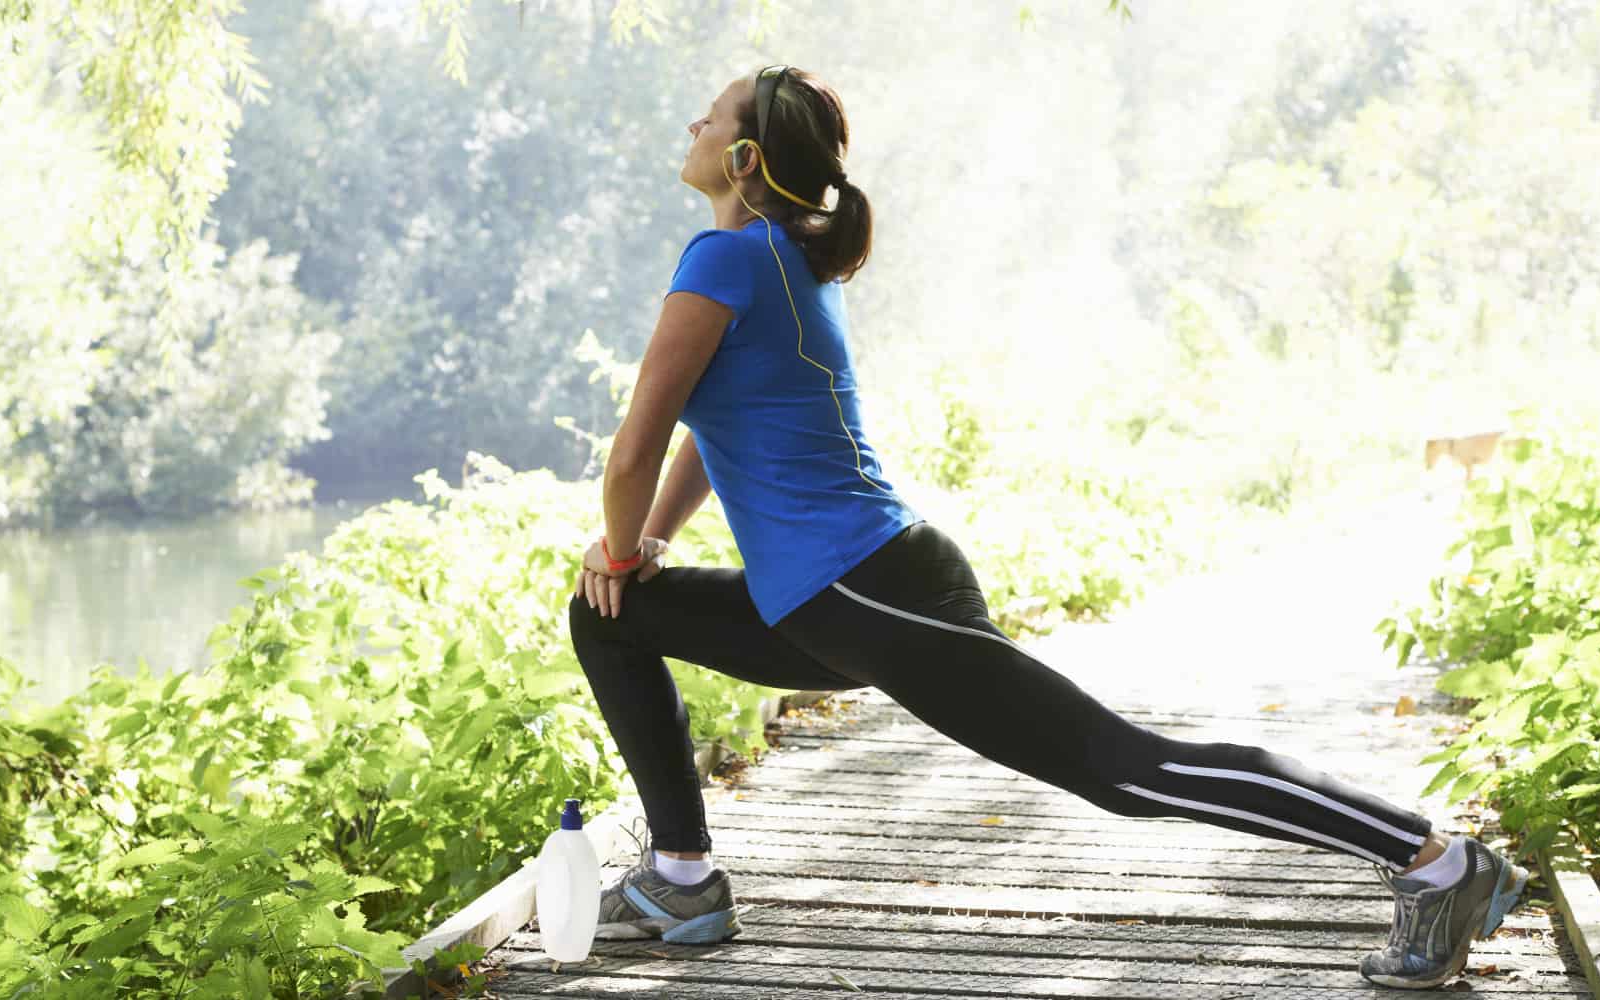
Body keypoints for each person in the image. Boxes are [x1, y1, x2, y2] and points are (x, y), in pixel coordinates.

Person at [563, 64, 1527, 990]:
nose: (694, 123)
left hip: (865, 592)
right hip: (827, 601)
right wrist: (647, 545)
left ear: (743, 162)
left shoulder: (724, 258)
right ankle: (683, 881)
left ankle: (1436, 863)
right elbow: (708, 427)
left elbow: (633, 449)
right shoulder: (776, 262)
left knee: (1124, 771)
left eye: (713, 114)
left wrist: (618, 545)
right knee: (610, 616)